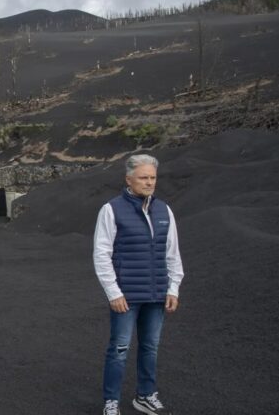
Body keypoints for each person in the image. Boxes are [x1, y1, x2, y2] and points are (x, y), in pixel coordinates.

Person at [93, 155, 184, 415]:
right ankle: (111, 402)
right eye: (143, 177)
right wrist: (113, 292)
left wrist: (173, 288)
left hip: (156, 294)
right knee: (119, 349)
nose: (149, 182)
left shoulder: (164, 210)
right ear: (129, 179)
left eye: (153, 177)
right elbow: (101, 254)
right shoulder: (111, 210)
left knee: (150, 347)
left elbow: (172, 253)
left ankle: (145, 395)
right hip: (126, 296)